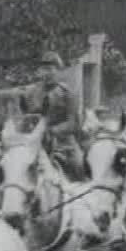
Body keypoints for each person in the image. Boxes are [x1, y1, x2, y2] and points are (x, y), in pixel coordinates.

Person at [19, 51, 84, 181]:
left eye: (51, 69)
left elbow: (74, 123)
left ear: (59, 72)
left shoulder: (68, 94)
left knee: (79, 165)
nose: (47, 73)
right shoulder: (30, 93)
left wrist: (52, 131)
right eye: (43, 69)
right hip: (35, 142)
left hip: (63, 143)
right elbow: (25, 118)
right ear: (39, 71)